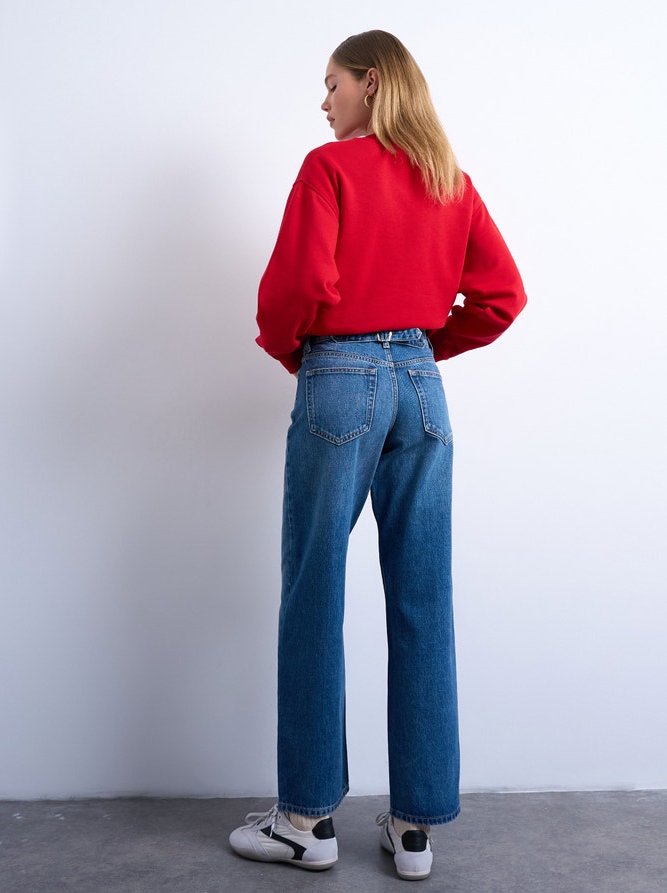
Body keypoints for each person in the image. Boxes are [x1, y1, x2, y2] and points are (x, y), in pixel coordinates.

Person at [229, 30, 526, 881]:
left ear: (370, 82)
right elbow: (502, 296)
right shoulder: (448, 179)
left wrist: (303, 353)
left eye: (332, 84)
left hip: (341, 376)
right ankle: (415, 828)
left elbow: (296, 287)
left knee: (314, 588)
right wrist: (421, 351)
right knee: (424, 596)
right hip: (423, 389)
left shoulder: (330, 170)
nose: (323, 102)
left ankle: (305, 820)